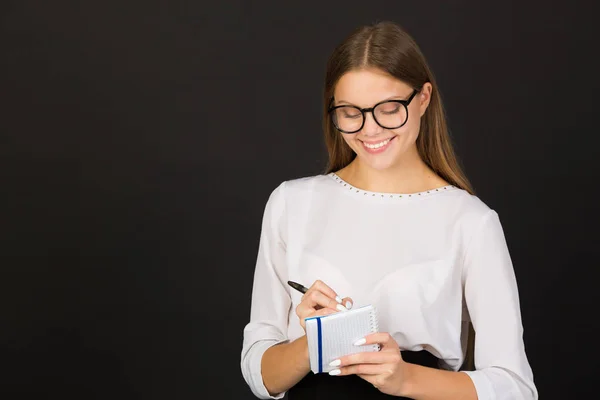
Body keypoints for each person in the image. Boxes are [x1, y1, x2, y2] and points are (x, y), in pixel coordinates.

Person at [240, 21, 537, 400]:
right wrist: (312, 344)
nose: (370, 129)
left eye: (389, 109)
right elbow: (259, 372)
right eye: (350, 112)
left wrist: (406, 379)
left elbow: (516, 388)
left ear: (424, 98)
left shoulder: (471, 222)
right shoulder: (291, 203)